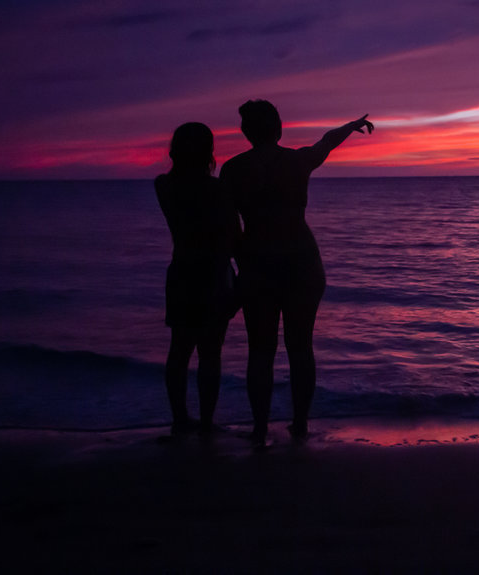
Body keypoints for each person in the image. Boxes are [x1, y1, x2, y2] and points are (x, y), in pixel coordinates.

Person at [220, 100, 373, 446]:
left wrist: (241, 269)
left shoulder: (232, 170)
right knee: (300, 346)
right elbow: (327, 142)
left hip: (258, 264)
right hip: (302, 262)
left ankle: (260, 428)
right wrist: (350, 126)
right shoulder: (296, 161)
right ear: (278, 128)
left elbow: (230, 232)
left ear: (246, 131)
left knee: (260, 350)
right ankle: (300, 424)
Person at [155, 122, 241, 437]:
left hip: (181, 272)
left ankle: (180, 419)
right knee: (210, 352)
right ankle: (206, 422)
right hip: (214, 274)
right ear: (209, 151)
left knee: (179, 349)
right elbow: (233, 236)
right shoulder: (217, 190)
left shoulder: (163, 185)